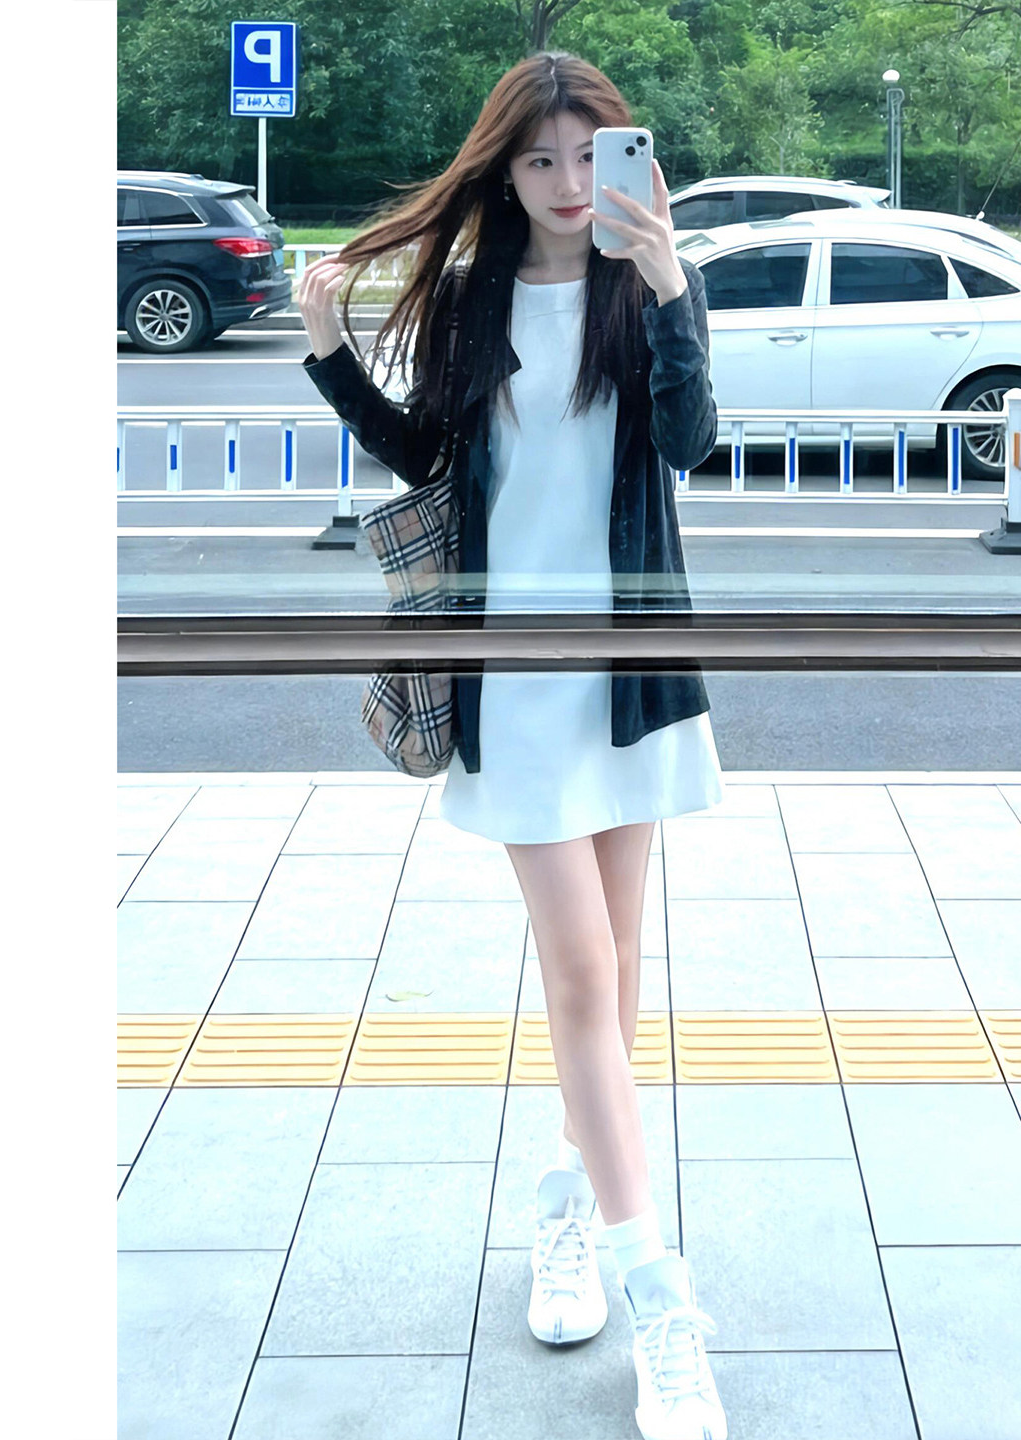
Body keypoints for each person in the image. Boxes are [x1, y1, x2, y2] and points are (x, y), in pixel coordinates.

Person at [298, 50, 728, 1440]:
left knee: (621, 965)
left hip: (628, 672)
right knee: (585, 973)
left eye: (587, 154)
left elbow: (691, 443)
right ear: (506, 169)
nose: (564, 182)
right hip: (517, 683)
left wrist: (669, 281)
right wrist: (329, 355)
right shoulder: (478, 298)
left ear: (625, 156)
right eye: (539, 159)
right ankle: (659, 1298)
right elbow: (431, 456)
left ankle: (566, 1199)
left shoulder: (641, 286)